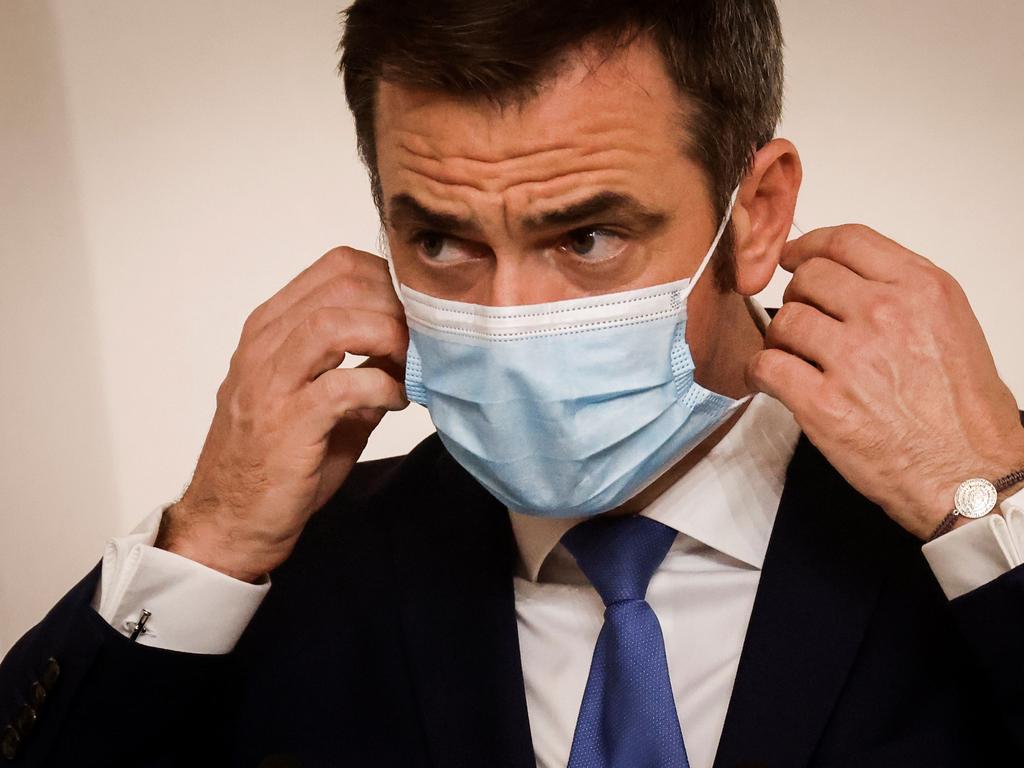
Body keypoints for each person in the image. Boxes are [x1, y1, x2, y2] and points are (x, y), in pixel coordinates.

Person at [2, 1, 1023, 765]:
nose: (509, 313)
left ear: (754, 214)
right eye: (441, 240)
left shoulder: (965, 544)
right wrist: (211, 537)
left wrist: (989, 503)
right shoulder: (293, 579)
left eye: (587, 236)